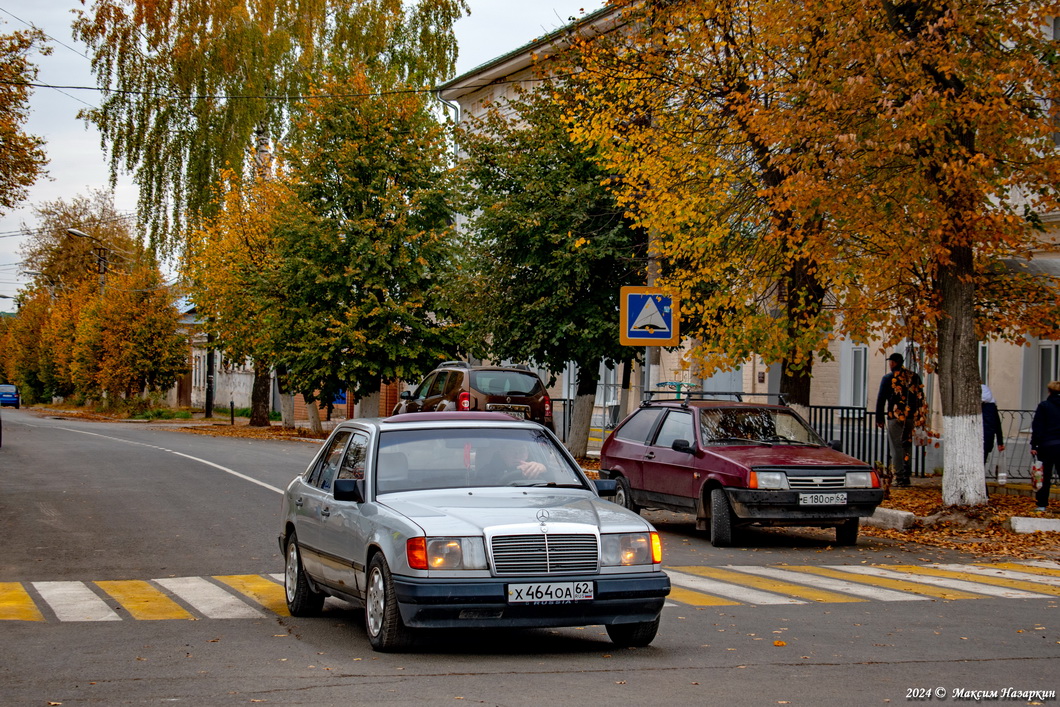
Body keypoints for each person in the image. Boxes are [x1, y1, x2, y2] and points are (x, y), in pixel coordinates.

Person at [875, 352, 925, 487]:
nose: (889, 364)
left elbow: (881, 399)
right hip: (910, 416)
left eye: (890, 362)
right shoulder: (913, 377)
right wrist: (920, 416)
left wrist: (879, 417)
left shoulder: (888, 378)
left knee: (896, 446)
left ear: (894, 363)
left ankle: (900, 476)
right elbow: (920, 397)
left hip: (894, 417)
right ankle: (907, 474)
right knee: (907, 445)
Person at [1030, 380, 1060, 512]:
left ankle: (1042, 504)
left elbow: (1038, 427)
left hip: (1046, 445)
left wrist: (1034, 445)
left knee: (1044, 476)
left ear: (1049, 391)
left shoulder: (1044, 406)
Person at [481, 441, 547, 482]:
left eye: (522, 451)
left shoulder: (534, 467)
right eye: (511, 450)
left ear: (527, 454)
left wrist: (544, 469)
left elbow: (554, 480)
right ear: (502, 453)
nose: (517, 455)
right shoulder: (487, 470)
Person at [981, 384, 1005, 464]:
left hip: (977, 438)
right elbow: (997, 424)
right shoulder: (992, 406)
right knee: (982, 461)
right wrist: (1000, 442)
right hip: (987, 438)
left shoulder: (975, 407)